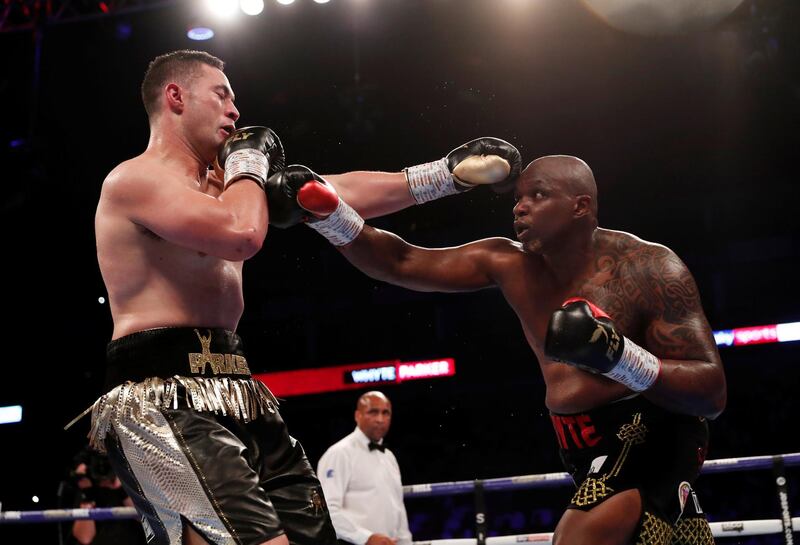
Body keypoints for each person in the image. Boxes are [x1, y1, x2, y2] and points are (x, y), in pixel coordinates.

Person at [88, 48, 521, 545]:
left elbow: (331, 191)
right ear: (175, 96)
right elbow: (240, 235)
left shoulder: (230, 185)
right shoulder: (135, 180)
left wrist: (442, 176)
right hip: (161, 392)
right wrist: (249, 164)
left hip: (238, 383)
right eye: (222, 95)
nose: (235, 110)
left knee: (313, 534)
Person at [267, 155, 727, 545]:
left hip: (652, 426)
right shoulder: (509, 262)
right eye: (518, 198)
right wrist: (328, 215)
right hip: (579, 440)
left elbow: (711, 391)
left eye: (538, 196)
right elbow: (401, 261)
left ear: (580, 206)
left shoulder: (649, 268)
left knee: (582, 534)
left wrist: (620, 356)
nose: (520, 207)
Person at [317, 392, 412, 545]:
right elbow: (327, 510)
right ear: (358, 415)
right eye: (373, 412)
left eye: (385, 413)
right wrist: (365, 537)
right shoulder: (339, 454)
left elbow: (398, 508)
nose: (380, 419)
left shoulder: (389, 457)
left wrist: (405, 542)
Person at [68, 448, 146, 545]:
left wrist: (122, 489)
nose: (103, 471)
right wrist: (87, 495)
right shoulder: (88, 490)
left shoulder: (131, 484)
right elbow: (84, 538)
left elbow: (145, 521)